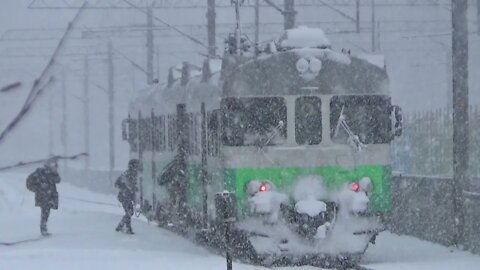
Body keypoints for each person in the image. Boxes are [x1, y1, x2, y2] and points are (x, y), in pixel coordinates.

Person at [26, 158, 61, 236]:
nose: (54, 167)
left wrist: (54, 172)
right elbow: (28, 183)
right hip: (43, 196)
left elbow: (58, 180)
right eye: (53, 166)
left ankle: (44, 228)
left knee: (46, 212)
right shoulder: (39, 173)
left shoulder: (52, 173)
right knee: (45, 212)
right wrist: (38, 189)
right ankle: (43, 229)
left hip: (50, 196)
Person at [115, 159, 140, 234]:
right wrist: (125, 188)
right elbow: (117, 184)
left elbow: (132, 187)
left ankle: (124, 227)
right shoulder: (126, 174)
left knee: (129, 212)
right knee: (129, 212)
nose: (137, 168)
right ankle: (124, 227)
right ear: (133, 166)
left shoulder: (133, 174)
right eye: (136, 166)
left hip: (128, 196)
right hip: (124, 196)